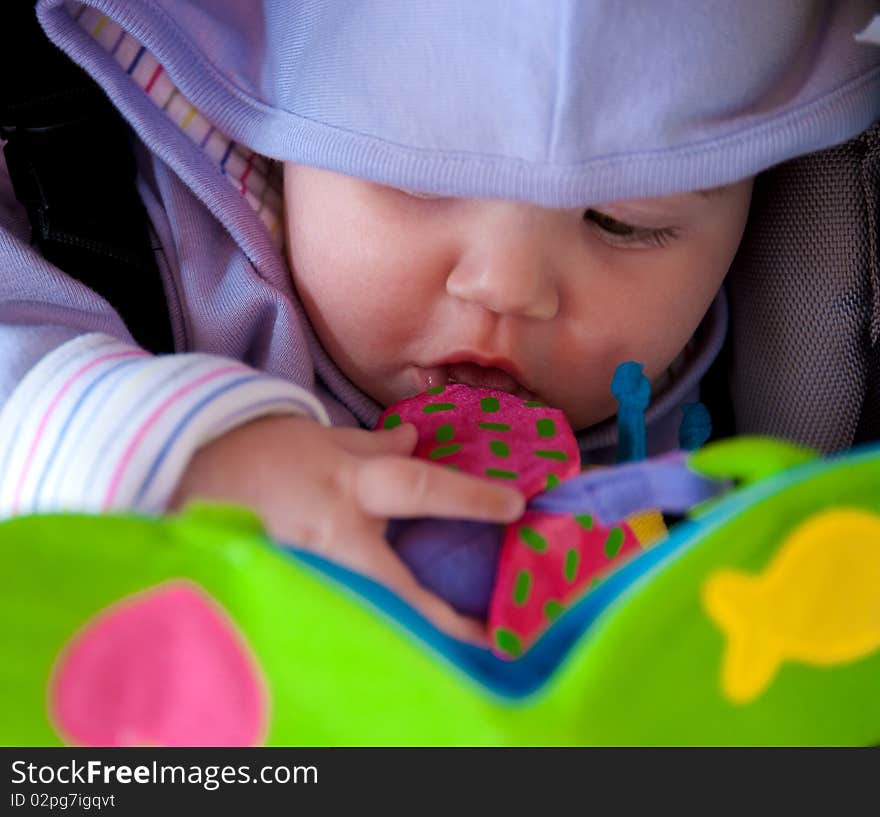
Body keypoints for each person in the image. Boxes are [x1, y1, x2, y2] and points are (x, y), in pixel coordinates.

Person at [1, 1, 878, 642]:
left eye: (625, 222)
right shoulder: (132, 245)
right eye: (418, 178)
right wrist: (185, 454)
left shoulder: (758, 394)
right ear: (274, 135)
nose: (508, 286)